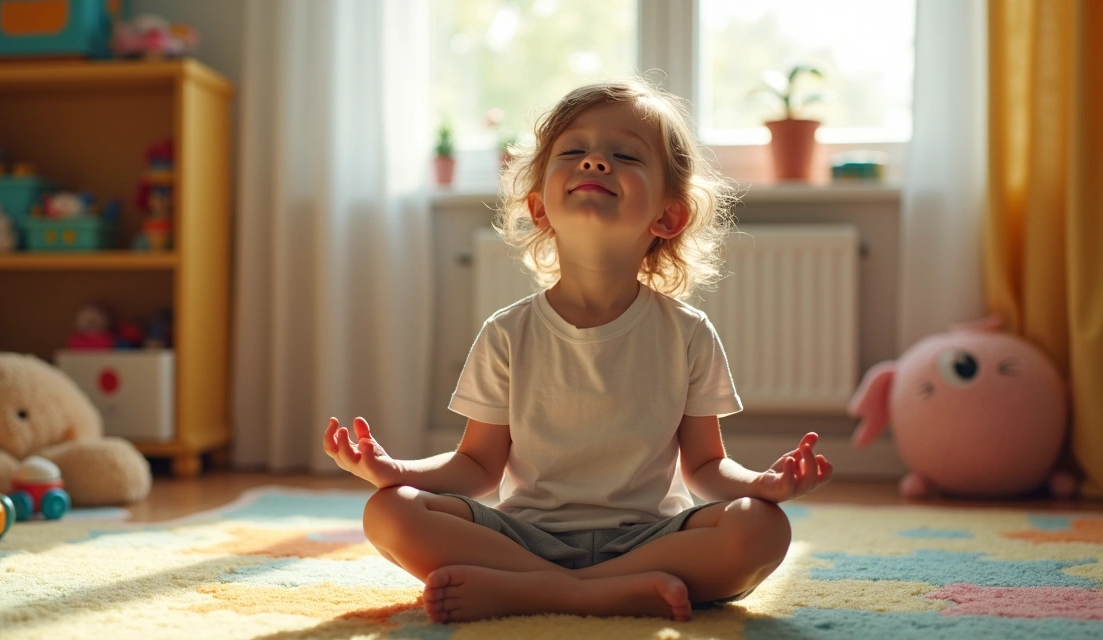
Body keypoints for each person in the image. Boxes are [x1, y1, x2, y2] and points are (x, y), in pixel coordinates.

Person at [323, 79, 833, 624]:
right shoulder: (506, 333)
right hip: (521, 538)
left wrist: (762, 484)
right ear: (539, 207)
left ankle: (539, 594)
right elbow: (476, 467)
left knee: (763, 526)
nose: (594, 162)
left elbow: (706, 466)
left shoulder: (687, 331)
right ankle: (598, 592)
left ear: (668, 216)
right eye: (573, 151)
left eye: (624, 154)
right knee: (389, 513)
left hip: (650, 540)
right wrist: (395, 470)